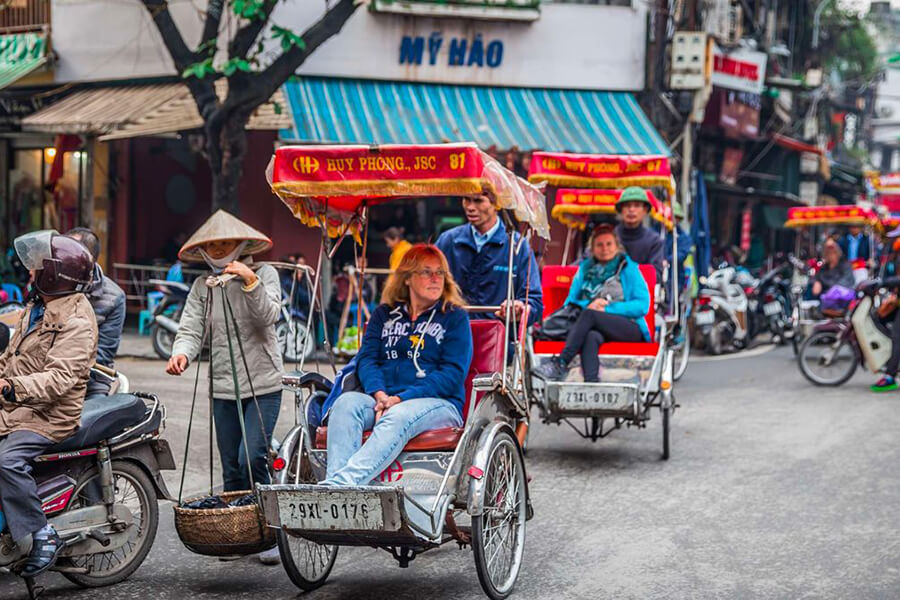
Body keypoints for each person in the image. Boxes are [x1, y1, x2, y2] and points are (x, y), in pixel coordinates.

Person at [164, 210, 282, 563]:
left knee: (252, 457)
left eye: (225, 243)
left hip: (264, 384)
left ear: (242, 244)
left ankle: (270, 529)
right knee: (231, 464)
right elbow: (190, 328)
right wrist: (181, 354)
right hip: (223, 388)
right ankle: (233, 531)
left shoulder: (265, 274)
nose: (219, 249)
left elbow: (268, 317)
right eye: (212, 245)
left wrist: (249, 282)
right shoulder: (204, 286)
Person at [322, 244, 472, 486]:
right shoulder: (384, 314)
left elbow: (452, 374)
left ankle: (339, 486)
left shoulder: (454, 317)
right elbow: (368, 359)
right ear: (407, 279)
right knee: (345, 404)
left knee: (398, 416)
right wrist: (380, 395)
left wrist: (400, 399)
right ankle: (337, 489)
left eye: (440, 273)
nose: (435, 279)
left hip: (438, 404)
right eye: (426, 272)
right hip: (383, 399)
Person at [0, 230, 97, 577]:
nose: (29, 272)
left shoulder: (77, 321)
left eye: (36, 268)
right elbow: (12, 358)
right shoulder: (37, 306)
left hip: (49, 414)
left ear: (53, 274)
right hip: (21, 404)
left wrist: (10, 388)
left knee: (7, 461)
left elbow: (58, 379)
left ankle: (43, 534)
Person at [536, 225, 650, 382]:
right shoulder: (584, 269)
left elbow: (642, 305)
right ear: (593, 248)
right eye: (600, 245)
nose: (605, 249)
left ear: (617, 246)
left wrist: (607, 308)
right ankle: (591, 385)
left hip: (628, 326)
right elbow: (570, 303)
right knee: (591, 336)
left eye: (609, 244)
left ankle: (561, 362)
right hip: (594, 326)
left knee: (590, 315)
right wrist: (589, 305)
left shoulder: (628, 268)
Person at [435, 193, 542, 325]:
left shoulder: (517, 246)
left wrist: (519, 309)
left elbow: (534, 302)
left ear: (497, 204)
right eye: (466, 199)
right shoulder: (448, 241)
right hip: (451, 335)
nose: (470, 207)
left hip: (499, 339)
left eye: (478, 201)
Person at [65, 227, 126, 397]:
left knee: (93, 419)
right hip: (46, 373)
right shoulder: (52, 283)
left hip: (91, 377)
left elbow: (104, 354)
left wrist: (63, 365)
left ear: (88, 259)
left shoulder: (114, 297)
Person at [615, 186, 665, 282]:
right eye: (627, 205)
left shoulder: (654, 240)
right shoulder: (609, 237)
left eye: (637, 205)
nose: (631, 210)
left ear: (645, 210)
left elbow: (656, 274)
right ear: (621, 209)